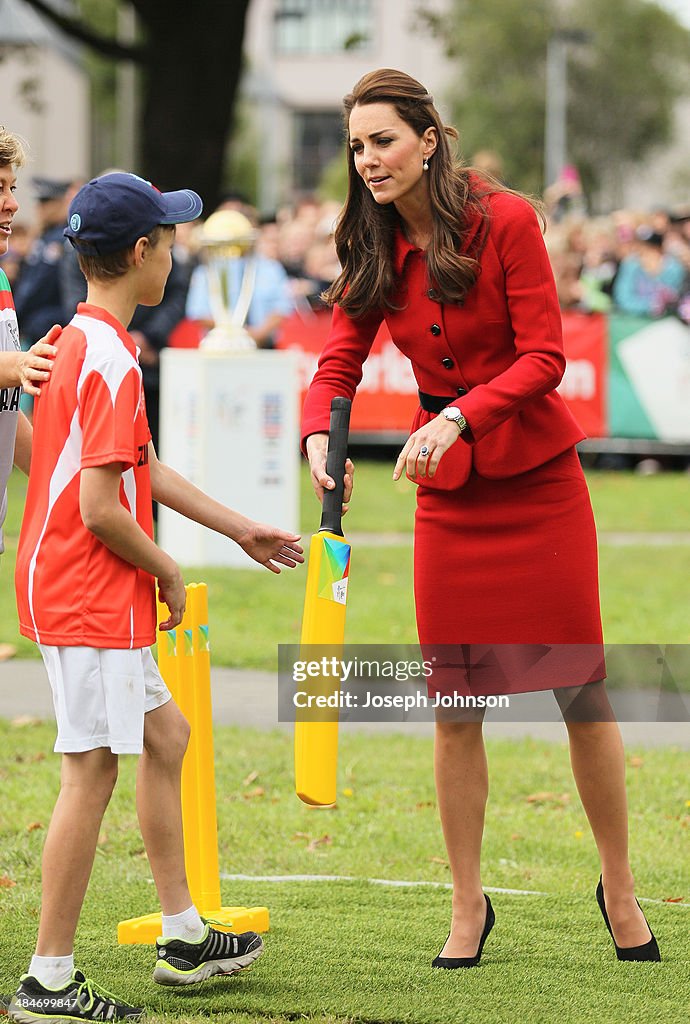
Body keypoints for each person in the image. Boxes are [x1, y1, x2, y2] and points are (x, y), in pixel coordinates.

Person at [302, 69, 660, 969]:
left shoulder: (506, 220)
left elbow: (545, 357)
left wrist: (457, 415)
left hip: (538, 480)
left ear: (428, 139)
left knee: (581, 688)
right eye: (355, 144)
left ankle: (618, 886)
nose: (367, 159)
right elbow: (335, 363)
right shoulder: (374, 239)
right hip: (451, 504)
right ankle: (468, 904)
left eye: (382, 140)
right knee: (455, 706)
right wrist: (318, 434)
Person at [10, 172, 304, 1023]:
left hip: (86, 582)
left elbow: (137, 469)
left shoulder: (85, 340)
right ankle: (49, 980)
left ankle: (182, 935)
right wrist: (168, 569)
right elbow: (103, 508)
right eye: (171, 240)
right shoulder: (106, 357)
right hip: (85, 589)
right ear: (143, 255)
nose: (177, 253)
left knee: (165, 735)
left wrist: (240, 526)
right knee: (92, 770)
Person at [0, 128, 59, 571]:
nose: (12, 203)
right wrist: (24, 363)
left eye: (11, 187)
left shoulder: (2, 280)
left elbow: (3, 410)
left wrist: (61, 480)